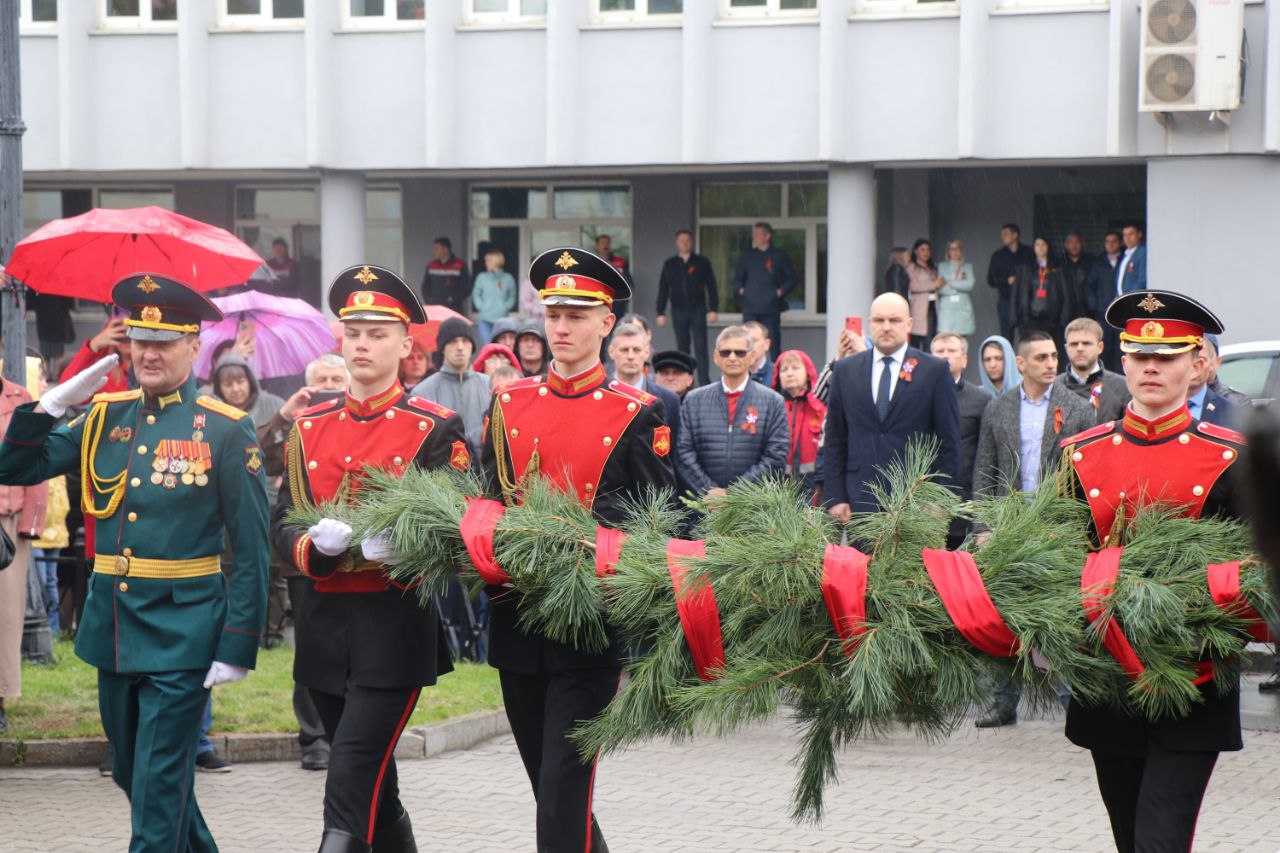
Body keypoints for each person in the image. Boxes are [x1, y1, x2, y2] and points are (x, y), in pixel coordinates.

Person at [0, 273, 268, 850]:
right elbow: (13, 469)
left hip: (184, 631)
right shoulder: (106, 416)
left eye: (164, 341)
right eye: (139, 339)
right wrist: (47, 405)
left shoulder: (225, 429)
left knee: (156, 788)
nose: (148, 353)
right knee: (135, 775)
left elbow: (250, 550)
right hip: (114, 626)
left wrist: (238, 641)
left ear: (194, 346)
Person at [480, 247, 675, 853]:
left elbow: (656, 518)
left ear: (606, 324)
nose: (559, 328)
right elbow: (486, 502)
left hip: (591, 626)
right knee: (552, 791)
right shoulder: (510, 403)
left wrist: (582, 544)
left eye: (576, 315)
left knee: (565, 789)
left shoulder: (640, 412)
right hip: (517, 620)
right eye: (552, 314)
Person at [272, 264, 467, 853]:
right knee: (378, 793)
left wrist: (406, 544)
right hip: (323, 628)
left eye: (378, 332)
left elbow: (461, 527)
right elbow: (281, 523)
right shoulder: (308, 427)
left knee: (350, 772)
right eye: (353, 330)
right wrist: (313, 547)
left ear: (407, 345)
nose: (362, 342)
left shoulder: (434, 427)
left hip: (393, 627)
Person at [1059, 290, 1245, 853]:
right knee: (1129, 840)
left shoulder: (1229, 456)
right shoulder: (1080, 454)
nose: (1152, 368)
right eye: (1140, 355)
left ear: (1198, 364)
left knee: (1160, 841)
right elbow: (1056, 554)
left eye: (1168, 357)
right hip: (1108, 681)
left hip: (1195, 681)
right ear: (1123, 360)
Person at [971, 330, 1093, 727]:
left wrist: (1074, 528)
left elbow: (1086, 476)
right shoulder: (998, 408)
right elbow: (984, 472)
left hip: (1055, 528)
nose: (1050, 363)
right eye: (1040, 357)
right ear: (1020, 364)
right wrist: (983, 526)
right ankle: (1003, 701)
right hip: (1007, 527)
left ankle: (1071, 699)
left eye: (1053, 356)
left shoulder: (1076, 408)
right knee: (1003, 613)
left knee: (1059, 614)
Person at [260, 353, 348, 774]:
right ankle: (313, 736)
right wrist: (284, 415)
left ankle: (347, 733)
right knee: (312, 648)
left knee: (355, 649)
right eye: (322, 381)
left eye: (337, 379)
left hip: (359, 558)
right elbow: (260, 458)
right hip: (304, 557)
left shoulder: (359, 421)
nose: (329, 386)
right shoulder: (296, 427)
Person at [823, 293, 960, 519]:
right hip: (860, 498)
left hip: (917, 502)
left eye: (894, 320)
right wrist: (836, 497)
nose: (886, 327)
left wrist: (940, 499)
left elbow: (948, 441)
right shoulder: (845, 370)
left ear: (909, 324)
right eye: (879, 320)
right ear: (870, 323)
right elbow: (835, 438)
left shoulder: (933, 370)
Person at [676, 325, 788, 501]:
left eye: (740, 352)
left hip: (753, 509)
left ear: (752, 357)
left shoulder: (773, 402)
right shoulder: (693, 400)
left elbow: (775, 457)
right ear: (715, 356)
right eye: (725, 352)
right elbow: (683, 452)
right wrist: (709, 492)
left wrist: (733, 495)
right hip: (703, 510)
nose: (732, 357)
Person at [0, 362, 48, 733]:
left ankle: (0, 696)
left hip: (8, 519)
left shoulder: (20, 398)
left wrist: (32, 520)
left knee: (6, 614)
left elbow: (35, 460)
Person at [928, 333, 991, 506]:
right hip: (924, 496)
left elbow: (985, 453)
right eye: (940, 351)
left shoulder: (981, 399)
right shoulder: (917, 397)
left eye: (951, 350)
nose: (945, 355)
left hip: (966, 497)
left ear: (964, 360)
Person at [411, 316, 491, 452]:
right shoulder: (422, 392)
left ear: (472, 346)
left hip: (486, 469)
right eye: (453, 341)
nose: (460, 347)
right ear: (442, 348)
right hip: (441, 469)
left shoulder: (489, 385)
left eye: (465, 341)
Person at [656, 229, 718, 384]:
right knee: (682, 349)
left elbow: (711, 286)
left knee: (701, 348)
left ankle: (704, 382)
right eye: (681, 241)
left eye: (687, 240)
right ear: (677, 243)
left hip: (698, 310)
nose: (684, 243)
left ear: (692, 242)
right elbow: (663, 288)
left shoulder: (702, 262)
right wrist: (660, 312)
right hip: (678, 311)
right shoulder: (670, 264)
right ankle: (686, 381)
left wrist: (713, 309)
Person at [732, 222, 796, 361]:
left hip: (770, 308)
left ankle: (775, 379)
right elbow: (738, 279)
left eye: (758, 234)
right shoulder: (748, 256)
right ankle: (748, 376)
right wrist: (742, 290)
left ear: (768, 236)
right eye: (754, 234)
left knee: (773, 344)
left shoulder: (779, 255)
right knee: (747, 344)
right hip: (750, 307)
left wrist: (780, 291)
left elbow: (792, 278)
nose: (754, 237)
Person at [771, 349, 826, 502]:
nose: (789, 373)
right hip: (780, 486)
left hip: (816, 487)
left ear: (808, 373)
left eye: (795, 368)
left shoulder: (820, 407)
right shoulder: (773, 407)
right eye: (784, 369)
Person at [1054, 317, 1130, 424]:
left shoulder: (1123, 386)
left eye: (1086, 343)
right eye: (1074, 344)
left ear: (1100, 347)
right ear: (1066, 348)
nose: (1080, 349)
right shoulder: (1052, 387)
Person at [1013, 237, 1071, 348]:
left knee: (1050, 347)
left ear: (1048, 247)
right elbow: (1016, 294)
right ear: (1033, 248)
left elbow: (1065, 294)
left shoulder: (1057, 268)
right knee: (1031, 347)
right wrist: (1014, 317)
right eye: (1037, 245)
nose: (1040, 247)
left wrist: (1064, 317)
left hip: (1051, 318)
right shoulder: (1026, 268)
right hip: (1030, 317)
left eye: (1043, 244)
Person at [987, 223, 1035, 343]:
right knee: (1006, 337)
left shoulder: (1029, 253)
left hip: (1025, 301)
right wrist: (1006, 280)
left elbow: (1036, 274)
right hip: (1006, 301)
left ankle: (1025, 361)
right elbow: (991, 280)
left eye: (1006, 234)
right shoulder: (998, 255)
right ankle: (1009, 361)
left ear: (1015, 235)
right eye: (1002, 234)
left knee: (1026, 337)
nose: (1002, 237)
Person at [1089, 230, 1126, 371]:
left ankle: (1119, 376)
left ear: (1120, 243)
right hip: (1103, 313)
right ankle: (1105, 375)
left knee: (1120, 348)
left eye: (1114, 241)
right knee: (1105, 347)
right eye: (1107, 242)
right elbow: (1089, 286)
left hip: (1121, 314)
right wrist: (1096, 305)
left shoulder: (1125, 260)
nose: (1110, 244)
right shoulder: (1098, 263)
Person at [1186, 335, 1240, 429]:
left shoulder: (1232, 413)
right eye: (1186, 359)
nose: (1193, 366)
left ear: (1212, 364)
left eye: (1201, 360)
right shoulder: (1155, 405)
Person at [471, 248, 517, 346]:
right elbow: (475, 294)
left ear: (496, 261)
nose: (486, 263)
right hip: (485, 320)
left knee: (502, 348)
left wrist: (505, 307)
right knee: (487, 347)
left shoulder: (508, 278)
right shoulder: (481, 277)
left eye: (488, 261)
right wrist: (481, 306)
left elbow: (512, 296)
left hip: (502, 320)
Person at [936, 239, 976, 341]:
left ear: (961, 251)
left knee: (962, 341)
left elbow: (970, 285)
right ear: (948, 251)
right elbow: (940, 289)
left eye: (957, 248)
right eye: (952, 249)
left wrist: (950, 283)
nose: (955, 251)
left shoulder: (967, 267)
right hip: (947, 310)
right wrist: (959, 287)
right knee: (946, 339)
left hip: (963, 308)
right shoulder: (942, 266)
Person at [905, 238, 941, 349]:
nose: (926, 253)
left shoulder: (932, 267)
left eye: (928, 250)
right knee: (916, 339)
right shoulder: (911, 267)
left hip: (933, 306)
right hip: (919, 307)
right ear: (916, 251)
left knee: (930, 340)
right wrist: (933, 284)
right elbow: (913, 286)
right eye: (922, 250)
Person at [421, 237, 472, 312]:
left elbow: (466, 287)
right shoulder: (431, 265)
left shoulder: (460, 264)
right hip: (435, 308)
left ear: (445, 249)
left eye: (437, 248)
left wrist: (453, 299)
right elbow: (425, 287)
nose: (434, 251)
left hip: (454, 309)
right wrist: (430, 301)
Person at [594, 234, 633, 322]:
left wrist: (623, 302)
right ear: (597, 246)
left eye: (607, 243)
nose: (605, 245)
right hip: (597, 303)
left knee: (616, 332)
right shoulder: (592, 262)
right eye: (603, 243)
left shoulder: (620, 262)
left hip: (617, 304)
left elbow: (629, 283)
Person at [1060, 231, 1093, 321]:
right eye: (1071, 242)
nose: (1074, 246)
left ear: (1082, 243)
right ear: (1065, 245)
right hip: (1065, 310)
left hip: (1087, 310)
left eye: (1077, 242)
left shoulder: (1091, 262)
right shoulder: (1060, 263)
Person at [1115, 222, 1147, 298]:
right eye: (1125, 235)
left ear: (1139, 234)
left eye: (1131, 234)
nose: (1127, 238)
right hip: (1122, 300)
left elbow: (1142, 281)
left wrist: (1129, 297)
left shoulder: (1143, 253)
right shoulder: (1125, 255)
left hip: (1134, 300)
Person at [743, 320, 775, 387]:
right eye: (745, 341)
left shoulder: (777, 375)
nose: (749, 345)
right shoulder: (731, 375)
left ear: (767, 344)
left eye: (754, 340)